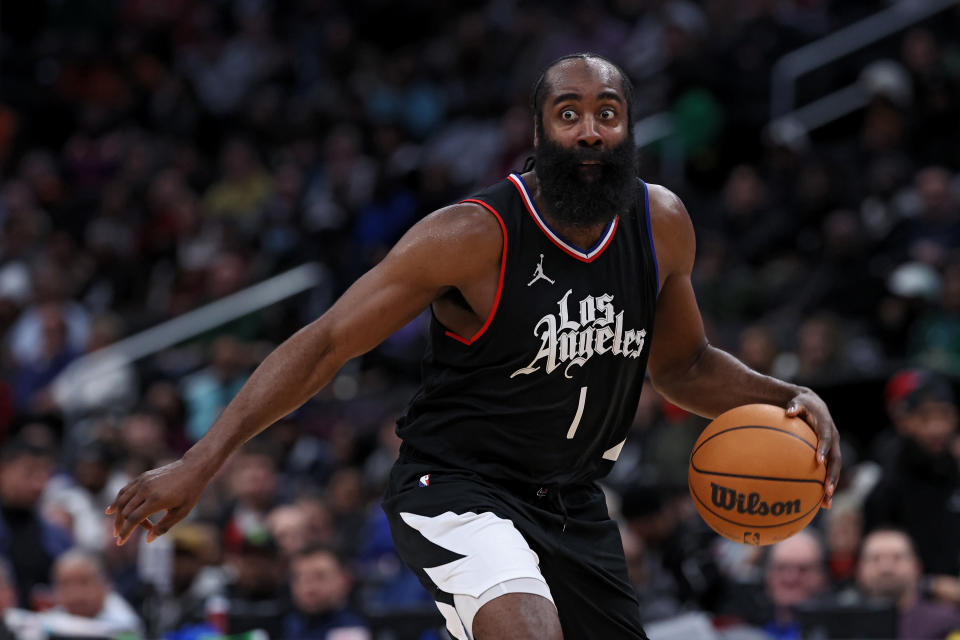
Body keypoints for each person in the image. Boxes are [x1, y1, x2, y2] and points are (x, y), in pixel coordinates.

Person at [107, 53, 841, 640]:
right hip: (456, 489)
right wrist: (201, 463)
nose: (589, 130)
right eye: (569, 114)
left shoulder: (662, 225)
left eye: (607, 114)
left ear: (630, 130)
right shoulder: (472, 235)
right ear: (538, 133)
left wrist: (784, 396)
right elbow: (327, 342)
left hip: (575, 503)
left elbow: (682, 366)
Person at [854, 528, 960, 639]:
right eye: (875, 559)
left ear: (917, 567)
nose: (886, 568)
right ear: (859, 569)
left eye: (897, 558)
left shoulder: (946, 622)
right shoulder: (843, 623)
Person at [284, 544, 370, 640]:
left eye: (320, 577)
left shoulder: (359, 627)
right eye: (299, 578)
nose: (308, 587)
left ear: (345, 580)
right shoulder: (284, 626)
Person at [51, 549, 143, 636]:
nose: (75, 594)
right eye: (65, 584)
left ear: (105, 585)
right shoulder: (49, 622)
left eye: (83, 582)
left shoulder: (124, 626)